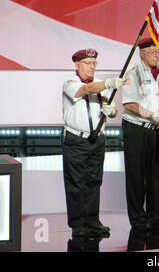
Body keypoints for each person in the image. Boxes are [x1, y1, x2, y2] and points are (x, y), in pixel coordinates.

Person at [62, 48, 127, 238]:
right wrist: (108, 83)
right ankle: (77, 223)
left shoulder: (101, 85)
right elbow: (85, 90)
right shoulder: (70, 82)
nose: (91, 67)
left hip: (97, 139)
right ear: (77, 64)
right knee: (76, 182)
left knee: (94, 181)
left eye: (94, 64)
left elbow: (113, 109)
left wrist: (110, 111)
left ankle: (92, 220)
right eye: (87, 63)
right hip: (76, 139)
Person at [121, 37, 159, 231]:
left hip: (157, 129)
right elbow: (129, 104)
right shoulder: (133, 73)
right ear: (142, 53)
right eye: (152, 52)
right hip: (137, 128)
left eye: (158, 52)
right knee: (136, 174)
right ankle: (138, 219)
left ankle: (156, 216)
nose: (156, 56)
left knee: (157, 174)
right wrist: (153, 115)